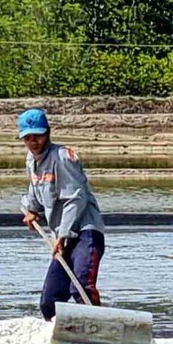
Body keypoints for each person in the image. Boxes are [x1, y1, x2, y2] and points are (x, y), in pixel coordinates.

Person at [17, 108, 106, 320]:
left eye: (37, 136)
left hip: (84, 232)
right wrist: (31, 209)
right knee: (50, 302)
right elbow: (35, 192)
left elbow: (76, 198)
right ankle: (64, 336)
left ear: (47, 133)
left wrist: (63, 235)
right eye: (28, 138)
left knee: (81, 288)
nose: (33, 142)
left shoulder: (63, 157)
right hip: (61, 237)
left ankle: (98, 327)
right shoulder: (32, 161)